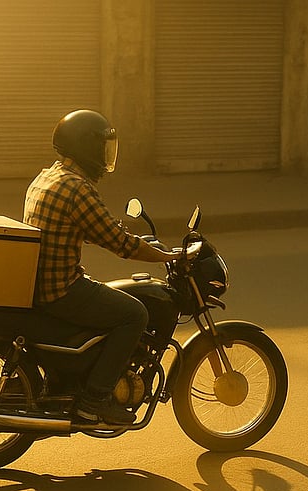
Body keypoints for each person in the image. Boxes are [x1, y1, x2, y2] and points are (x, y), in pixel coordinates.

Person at [24, 109, 178, 426]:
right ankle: (94, 399)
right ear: (86, 147)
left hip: (38, 284)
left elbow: (85, 228)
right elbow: (120, 244)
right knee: (135, 314)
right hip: (62, 291)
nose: (105, 157)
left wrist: (117, 234)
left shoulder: (47, 177)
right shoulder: (78, 188)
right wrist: (167, 257)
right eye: (102, 149)